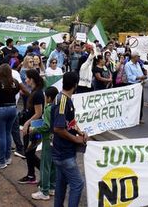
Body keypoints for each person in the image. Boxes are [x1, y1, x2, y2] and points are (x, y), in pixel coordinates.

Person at [51, 72, 87, 207]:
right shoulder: (63, 101)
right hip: (63, 153)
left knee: (61, 184)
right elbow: (58, 128)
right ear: (75, 85)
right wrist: (76, 139)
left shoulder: (64, 99)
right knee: (78, 184)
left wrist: (79, 131)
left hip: (62, 151)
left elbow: (69, 122)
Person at [0, 64, 25, 169]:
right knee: (7, 134)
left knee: (1, 136)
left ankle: (1, 161)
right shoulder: (15, 83)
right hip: (12, 109)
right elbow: (18, 91)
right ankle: (7, 158)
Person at [30, 86, 59, 201]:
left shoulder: (48, 109)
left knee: (45, 165)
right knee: (53, 165)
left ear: (49, 97)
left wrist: (35, 129)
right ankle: (52, 187)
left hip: (48, 139)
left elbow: (46, 125)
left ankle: (44, 191)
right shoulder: (57, 107)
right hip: (56, 139)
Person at [18, 70, 46, 184]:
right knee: (28, 151)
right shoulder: (34, 91)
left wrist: (27, 123)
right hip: (31, 125)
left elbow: (39, 112)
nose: (25, 80)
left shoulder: (38, 93)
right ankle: (31, 175)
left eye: (27, 78)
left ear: (32, 79)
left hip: (35, 126)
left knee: (29, 151)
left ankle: (44, 173)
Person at [125, 52, 147, 123]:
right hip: (132, 85)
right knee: (132, 102)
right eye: (138, 56)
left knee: (140, 102)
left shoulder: (138, 64)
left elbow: (140, 73)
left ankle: (139, 118)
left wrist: (143, 78)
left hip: (139, 84)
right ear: (134, 57)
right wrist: (139, 77)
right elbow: (129, 76)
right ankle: (131, 118)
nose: (139, 58)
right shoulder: (128, 65)